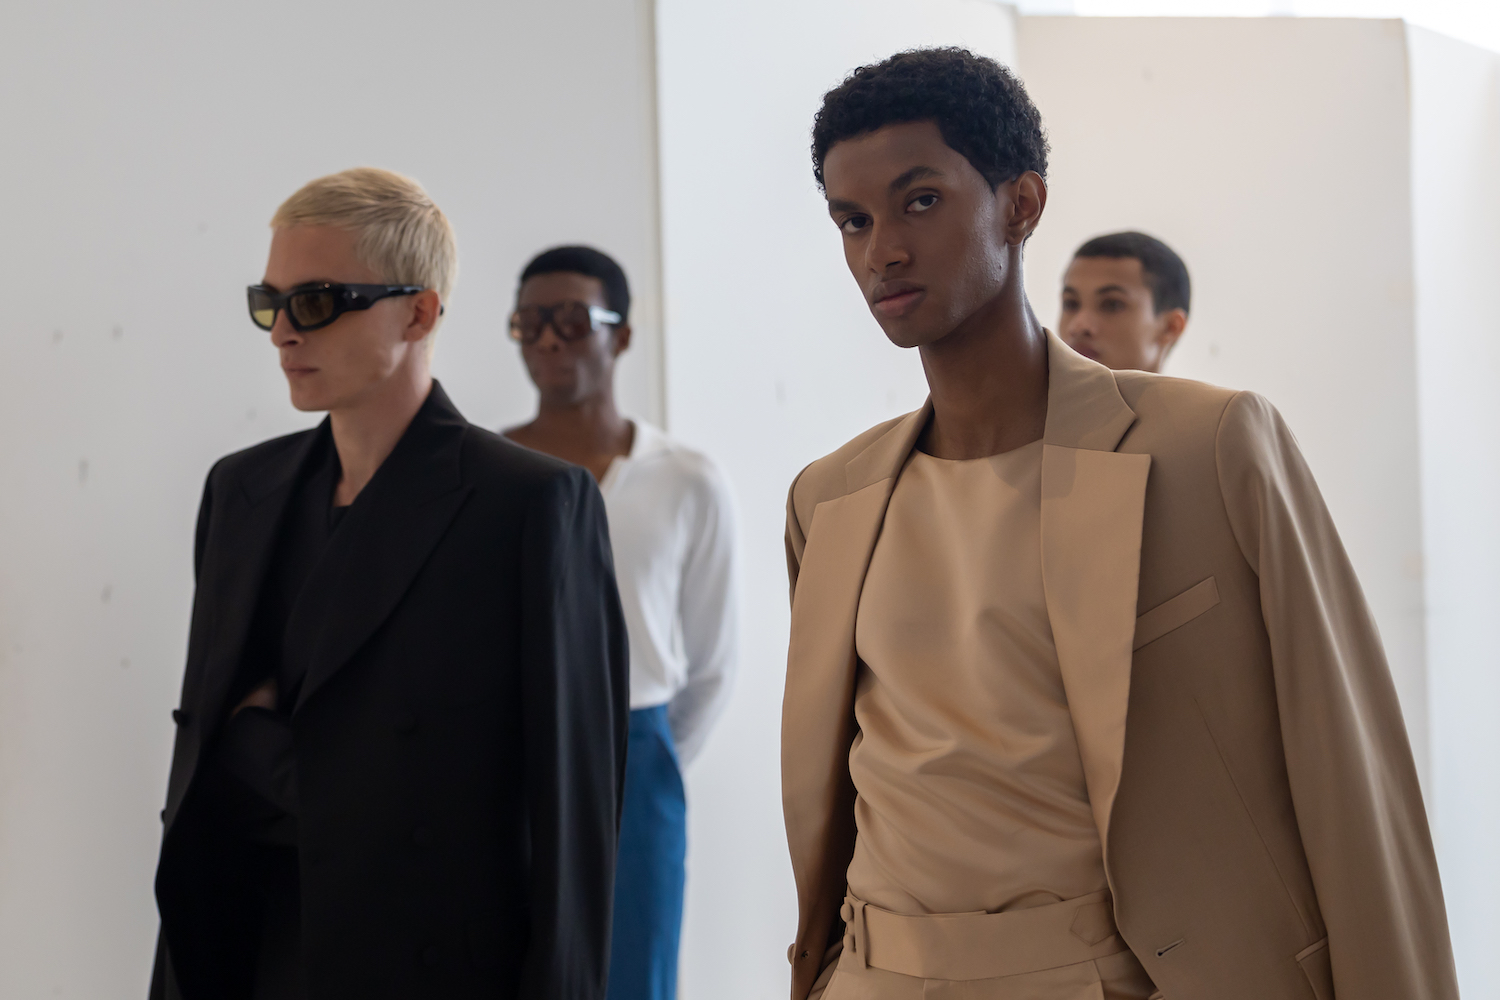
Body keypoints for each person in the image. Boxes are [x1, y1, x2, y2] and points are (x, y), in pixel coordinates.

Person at [781, 47, 1456, 1000]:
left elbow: (1350, 778)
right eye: (852, 220)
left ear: (1021, 205)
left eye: (919, 201)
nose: (880, 249)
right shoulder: (830, 499)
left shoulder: (1209, 444)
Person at [150, 169, 629, 1000]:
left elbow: (568, 811)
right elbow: (205, 765)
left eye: (318, 301)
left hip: (433, 961)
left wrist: (267, 750)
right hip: (251, 950)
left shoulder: (530, 503)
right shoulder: (243, 492)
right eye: (271, 302)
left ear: (420, 311)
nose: (283, 334)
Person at [504, 245, 738, 1000]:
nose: (549, 340)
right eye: (531, 323)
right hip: (504, 756)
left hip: (637, 758)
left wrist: (643, 761)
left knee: (635, 973)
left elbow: (711, 664)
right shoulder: (482, 475)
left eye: (573, 320)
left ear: (623, 335)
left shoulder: (685, 479)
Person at [1058, 231, 1190, 373]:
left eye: (1112, 305)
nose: (1079, 326)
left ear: (1170, 327)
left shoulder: (1207, 396)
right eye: (1071, 304)